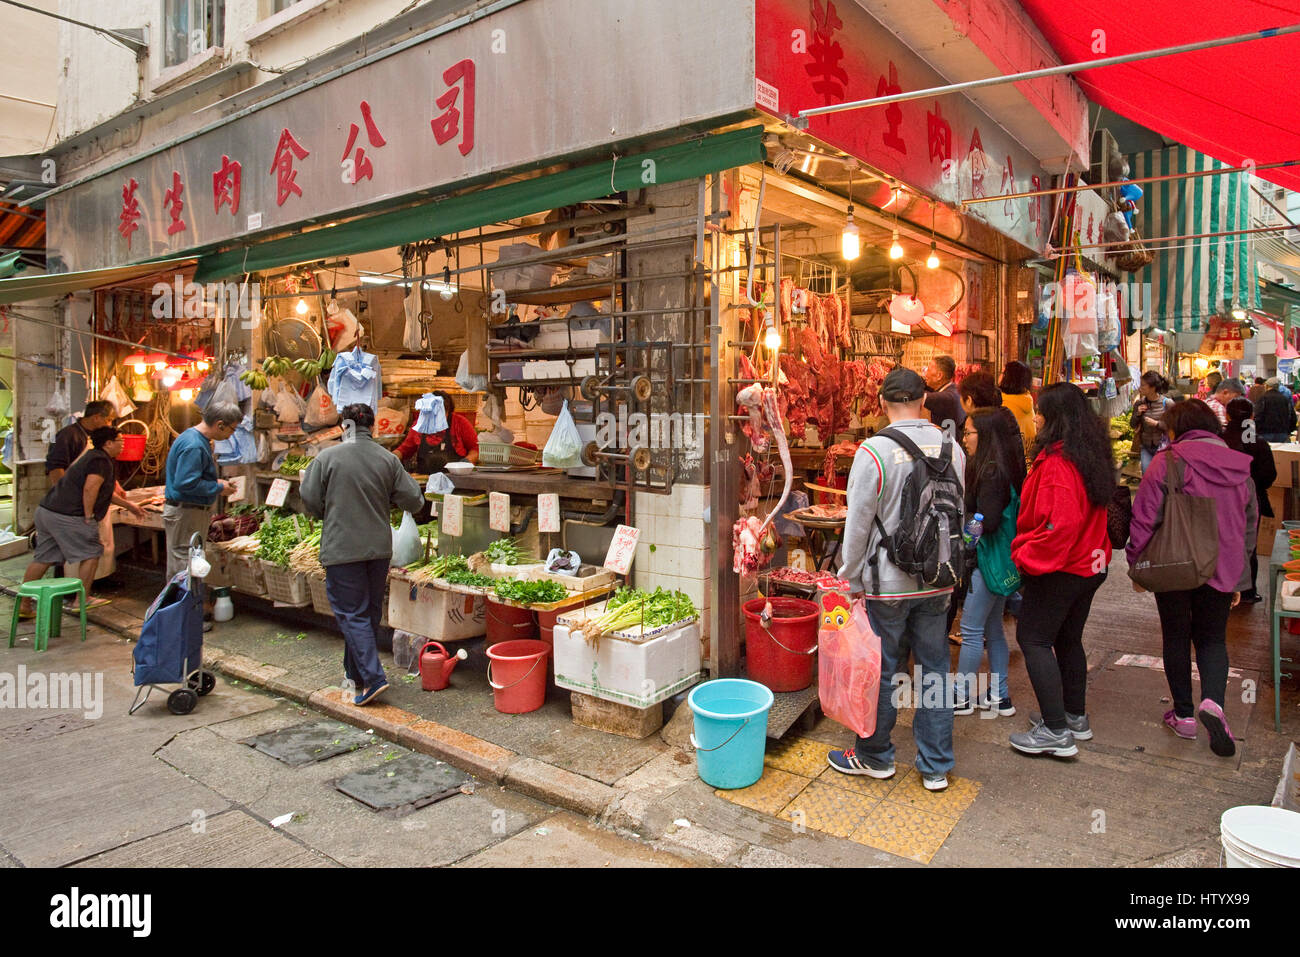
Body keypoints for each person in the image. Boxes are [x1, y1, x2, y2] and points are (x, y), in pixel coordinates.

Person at [828, 367, 966, 792]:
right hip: (939, 579)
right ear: (924, 401)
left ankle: (875, 756)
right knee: (935, 671)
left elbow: (858, 523)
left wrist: (847, 577)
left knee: (883, 669)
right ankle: (936, 766)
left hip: (888, 583)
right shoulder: (952, 447)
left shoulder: (874, 451)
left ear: (882, 402)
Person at [1126, 400, 1254, 758]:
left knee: (1177, 637)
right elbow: (1249, 523)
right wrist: (1240, 576)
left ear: (1177, 428)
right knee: (1213, 640)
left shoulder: (1167, 462)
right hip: (1222, 567)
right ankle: (1213, 702)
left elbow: (1144, 518)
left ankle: (1183, 715)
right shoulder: (1239, 465)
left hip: (1175, 566)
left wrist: (1137, 565)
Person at [1008, 382, 1115, 757]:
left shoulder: (1057, 464)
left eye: (1040, 411)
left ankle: (1055, 732)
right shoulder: (1087, 453)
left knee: (1033, 639)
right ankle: (1073, 718)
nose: (1034, 417)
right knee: (1068, 639)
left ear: (1055, 418)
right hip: (1089, 564)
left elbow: (1059, 527)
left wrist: (1024, 556)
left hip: (1063, 568)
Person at [301, 403, 424, 707]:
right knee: (366, 612)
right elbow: (414, 499)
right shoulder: (387, 459)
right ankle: (354, 672)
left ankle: (373, 678)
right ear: (373, 427)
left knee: (350, 613)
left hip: (343, 548)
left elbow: (308, 497)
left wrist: (326, 512)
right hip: (379, 549)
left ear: (344, 426)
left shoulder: (327, 457)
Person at [20, 428, 146, 616]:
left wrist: (130, 506)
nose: (123, 444)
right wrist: (88, 516)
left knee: (44, 557)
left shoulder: (93, 457)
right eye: (119, 441)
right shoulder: (100, 460)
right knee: (91, 552)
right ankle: (82, 599)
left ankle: (24, 605)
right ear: (108, 443)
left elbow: (104, 491)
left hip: (47, 511)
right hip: (69, 515)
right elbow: (90, 489)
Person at [954, 407, 1026, 716]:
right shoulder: (1003, 467)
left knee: (971, 630)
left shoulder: (991, 472)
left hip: (988, 562)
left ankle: (960, 696)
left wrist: (967, 541)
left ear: (984, 436)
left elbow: (988, 519)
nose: (965, 439)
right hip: (1002, 561)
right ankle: (1000, 695)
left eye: (968, 433)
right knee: (994, 628)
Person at [164, 402, 240, 628]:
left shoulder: (194, 439)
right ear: (220, 425)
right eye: (232, 429)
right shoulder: (194, 446)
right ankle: (183, 621)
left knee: (189, 561)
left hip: (190, 512)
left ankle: (189, 615)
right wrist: (218, 487)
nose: (232, 434)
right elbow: (186, 483)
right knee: (183, 564)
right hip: (186, 511)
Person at [1222, 397, 1274, 605]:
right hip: (1252, 499)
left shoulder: (1219, 438)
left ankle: (1222, 587)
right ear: (1252, 416)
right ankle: (1247, 591)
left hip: (1221, 499)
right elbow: (1269, 474)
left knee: (1222, 540)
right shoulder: (1257, 441)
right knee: (1247, 542)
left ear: (1227, 415)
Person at [393, 390, 480, 470]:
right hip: (426, 480)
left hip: (455, 479)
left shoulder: (460, 423)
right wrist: (390, 458)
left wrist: (465, 463)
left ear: (448, 412)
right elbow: (404, 450)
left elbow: (476, 449)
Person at [45, 400, 114, 481]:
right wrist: (64, 491)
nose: (110, 425)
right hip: (71, 490)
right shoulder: (67, 435)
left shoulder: (96, 436)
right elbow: (55, 468)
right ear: (96, 418)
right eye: (108, 420)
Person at [1131, 371, 1174, 472]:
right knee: (1146, 474)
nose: (1140, 388)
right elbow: (1132, 425)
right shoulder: (1139, 403)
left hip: (1163, 447)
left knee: (1162, 476)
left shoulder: (1167, 403)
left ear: (1153, 388)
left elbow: (1176, 425)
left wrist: (1157, 424)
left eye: (1143, 385)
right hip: (1145, 446)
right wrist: (1137, 414)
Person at [998, 361, 1037, 457]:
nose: (999, 376)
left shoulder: (1003, 407)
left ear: (1008, 379)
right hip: (1029, 463)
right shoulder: (1027, 400)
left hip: (1013, 466)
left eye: (1002, 373)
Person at [922, 354, 965, 433]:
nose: (925, 374)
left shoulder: (947, 397)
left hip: (949, 443)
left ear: (939, 375)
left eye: (928, 370)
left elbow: (916, 394)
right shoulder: (951, 388)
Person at [1254, 377, 1295, 443]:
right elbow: (1292, 417)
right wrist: (1288, 430)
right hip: (1282, 433)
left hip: (1265, 433)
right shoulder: (1285, 399)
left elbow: (1258, 416)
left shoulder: (1263, 398)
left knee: (1266, 453)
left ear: (1266, 386)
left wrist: (1257, 430)